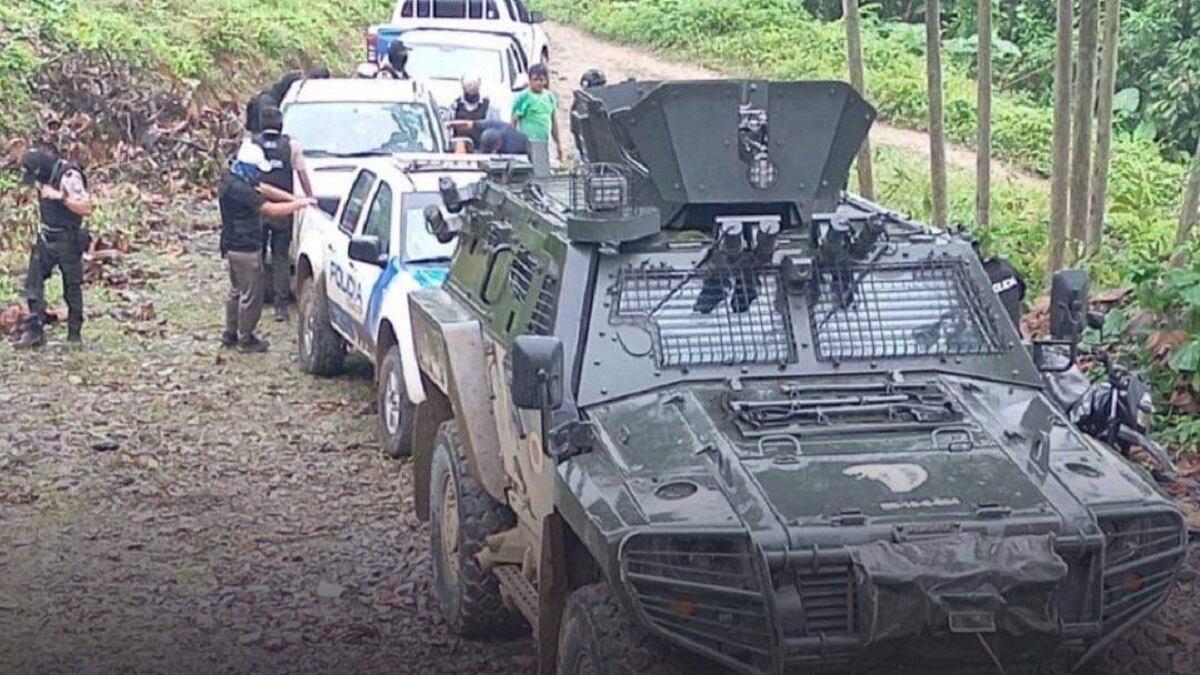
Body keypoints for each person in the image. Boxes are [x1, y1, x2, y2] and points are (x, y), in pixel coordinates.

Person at [218, 140, 314, 353]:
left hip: (232, 245)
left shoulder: (231, 179)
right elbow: (268, 209)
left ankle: (231, 332)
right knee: (251, 296)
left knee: (236, 290)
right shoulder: (240, 190)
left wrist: (292, 197)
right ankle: (245, 338)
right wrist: (298, 205)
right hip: (245, 248)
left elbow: (264, 189)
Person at [15, 148, 93, 348]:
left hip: (68, 239)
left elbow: (86, 208)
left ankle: (74, 335)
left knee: (72, 288)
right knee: (32, 283)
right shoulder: (43, 177)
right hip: (46, 237)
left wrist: (60, 197)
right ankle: (34, 331)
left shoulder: (69, 176)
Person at [254, 105, 313, 322]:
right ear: (281, 124)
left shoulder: (252, 145)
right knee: (280, 256)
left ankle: (255, 300)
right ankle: (281, 307)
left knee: (256, 255)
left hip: (256, 208)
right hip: (283, 209)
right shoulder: (291, 145)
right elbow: (302, 175)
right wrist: (309, 197)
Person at [511, 64, 561, 176]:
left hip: (544, 142)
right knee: (528, 173)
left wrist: (558, 144)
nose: (538, 83)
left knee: (542, 173)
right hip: (526, 143)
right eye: (535, 80)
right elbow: (514, 121)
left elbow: (554, 121)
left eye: (541, 80)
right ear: (529, 80)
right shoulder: (523, 97)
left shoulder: (549, 97)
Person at [450, 76, 501, 151]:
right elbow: (448, 129)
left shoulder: (489, 107)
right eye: (469, 87)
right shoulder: (455, 106)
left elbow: (496, 129)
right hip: (459, 152)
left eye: (474, 89)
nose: (471, 91)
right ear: (463, 88)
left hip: (482, 151)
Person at [449, 119, 528, 156]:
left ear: (498, 146)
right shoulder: (491, 124)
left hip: (525, 150)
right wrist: (450, 124)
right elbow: (470, 124)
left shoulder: (514, 146)